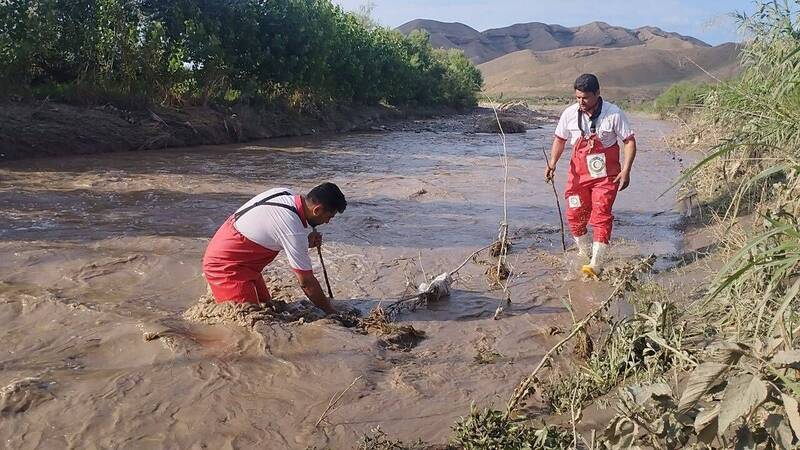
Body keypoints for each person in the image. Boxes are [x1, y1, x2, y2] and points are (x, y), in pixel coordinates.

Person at [202, 182, 346, 314]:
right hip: (225, 266)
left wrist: (304, 242)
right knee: (249, 321)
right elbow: (306, 282)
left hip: (238, 255)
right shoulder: (292, 229)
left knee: (267, 306)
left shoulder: (285, 193)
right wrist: (332, 313)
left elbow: (271, 232)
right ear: (317, 209)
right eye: (329, 217)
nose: (327, 222)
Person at [545, 74, 637, 277]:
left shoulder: (614, 114)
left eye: (585, 98)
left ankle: (596, 262)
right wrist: (552, 163)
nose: (581, 102)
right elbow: (560, 140)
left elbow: (629, 141)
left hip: (606, 177)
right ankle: (584, 251)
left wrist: (626, 170)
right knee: (574, 214)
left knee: (601, 214)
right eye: (578, 97)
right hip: (578, 177)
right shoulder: (569, 114)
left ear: (597, 94)